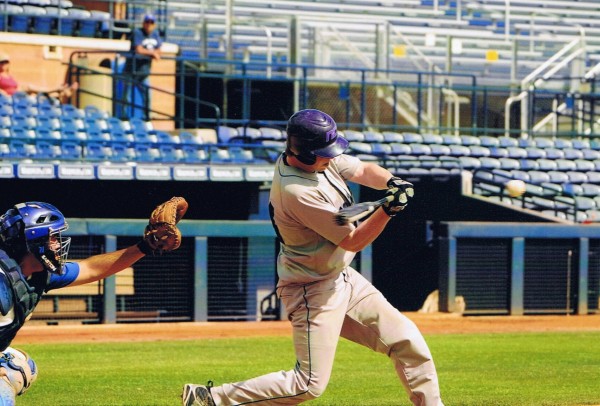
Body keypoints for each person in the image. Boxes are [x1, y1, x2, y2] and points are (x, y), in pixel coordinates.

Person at [182, 109, 443, 406]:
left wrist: (392, 183)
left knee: (406, 340)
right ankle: (210, 399)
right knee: (307, 384)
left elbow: (360, 170)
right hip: (311, 289)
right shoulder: (296, 191)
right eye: (324, 154)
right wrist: (389, 211)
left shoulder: (318, 158)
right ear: (302, 154)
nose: (331, 158)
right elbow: (354, 240)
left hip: (341, 278)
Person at [0, 198, 187, 405]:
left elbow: (92, 268)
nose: (57, 243)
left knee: (23, 367)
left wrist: (145, 246)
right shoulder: (3, 277)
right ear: (32, 242)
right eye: (52, 236)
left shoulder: (37, 274)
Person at [119, 13, 162, 120]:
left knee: (147, 96)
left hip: (144, 71)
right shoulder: (137, 32)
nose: (149, 24)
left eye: (151, 22)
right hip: (131, 70)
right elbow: (138, 49)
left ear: (154, 24)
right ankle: (124, 118)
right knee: (126, 97)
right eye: (147, 22)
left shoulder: (155, 34)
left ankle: (146, 118)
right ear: (143, 23)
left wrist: (153, 52)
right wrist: (152, 53)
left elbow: (159, 49)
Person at [0, 52, 78, 104]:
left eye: (6, 62)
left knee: (37, 95)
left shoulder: (9, 76)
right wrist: (5, 95)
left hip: (18, 94)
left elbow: (16, 86)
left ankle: (60, 93)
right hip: (11, 96)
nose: (4, 65)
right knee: (29, 87)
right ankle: (58, 90)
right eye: (2, 63)